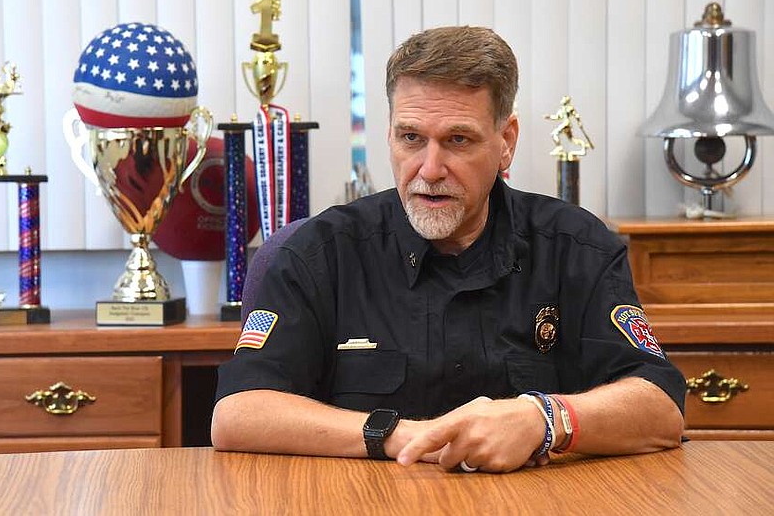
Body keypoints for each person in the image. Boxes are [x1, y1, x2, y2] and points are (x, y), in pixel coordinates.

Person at [212, 26, 685, 473]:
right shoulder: (322, 252)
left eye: (458, 140)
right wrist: (401, 436)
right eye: (411, 138)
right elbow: (238, 413)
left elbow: (661, 407)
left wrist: (545, 419)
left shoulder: (577, 247)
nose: (430, 168)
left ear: (506, 142)